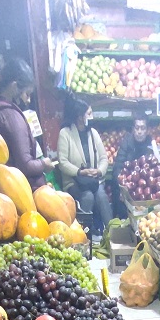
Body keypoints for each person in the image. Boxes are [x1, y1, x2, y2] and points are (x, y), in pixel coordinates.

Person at [0, 58, 53, 191]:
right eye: (27, 94)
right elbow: (25, 165)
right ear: (14, 86)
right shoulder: (11, 115)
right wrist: (44, 164)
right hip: (19, 189)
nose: (28, 100)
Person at [57, 95, 112, 234]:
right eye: (89, 113)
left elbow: (104, 158)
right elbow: (62, 162)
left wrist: (99, 171)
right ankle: (82, 235)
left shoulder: (93, 133)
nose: (91, 116)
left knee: (101, 196)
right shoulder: (65, 134)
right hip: (74, 181)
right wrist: (80, 172)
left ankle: (112, 233)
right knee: (88, 196)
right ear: (80, 117)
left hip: (93, 180)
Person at [111, 116, 159, 218]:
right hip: (127, 186)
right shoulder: (127, 142)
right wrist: (123, 188)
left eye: (143, 128)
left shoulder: (151, 144)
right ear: (133, 129)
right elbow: (117, 167)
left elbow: (157, 168)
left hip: (145, 187)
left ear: (147, 130)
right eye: (137, 128)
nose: (139, 131)